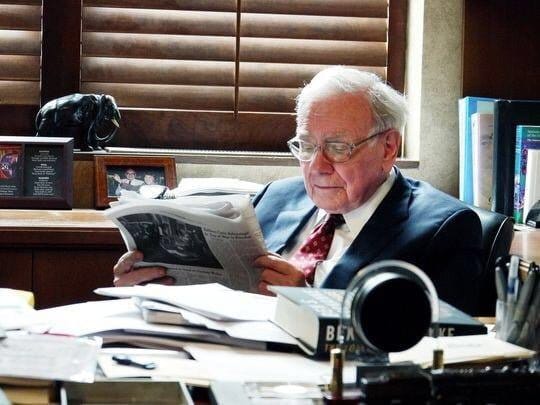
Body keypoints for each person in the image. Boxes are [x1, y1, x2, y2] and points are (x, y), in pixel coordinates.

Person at [113, 67, 482, 314]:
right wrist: (155, 289)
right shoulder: (274, 198)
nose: (317, 166)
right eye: (306, 146)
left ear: (388, 148)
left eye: (337, 147)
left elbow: (442, 347)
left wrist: (309, 307)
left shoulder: (444, 229)